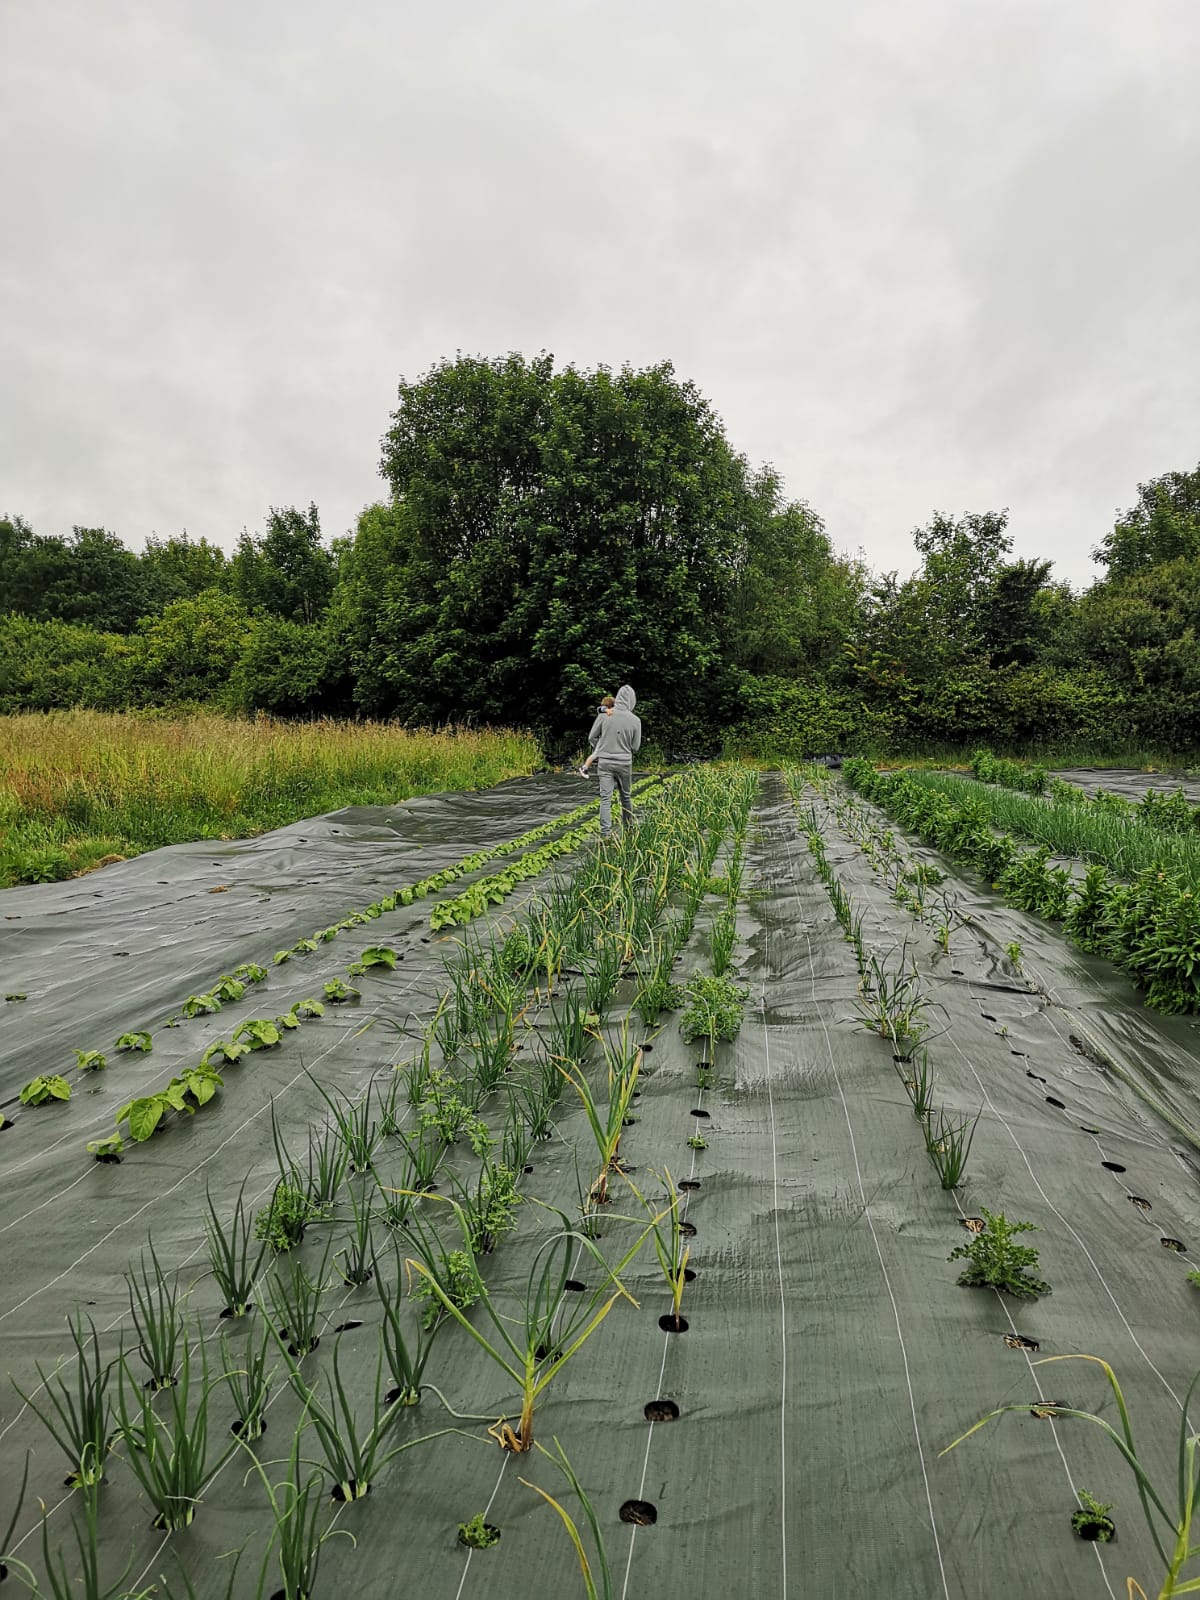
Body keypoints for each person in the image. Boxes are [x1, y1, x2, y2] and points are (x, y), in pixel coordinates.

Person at [585, 685, 641, 837]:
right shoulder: (635, 720)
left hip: (605, 763)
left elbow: (591, 737)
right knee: (626, 797)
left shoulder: (605, 715)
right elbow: (635, 747)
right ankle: (629, 830)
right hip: (624, 763)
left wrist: (601, 748)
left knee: (605, 799)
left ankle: (606, 834)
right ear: (632, 701)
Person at [578, 696, 615, 777]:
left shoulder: (610, 712)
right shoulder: (603, 713)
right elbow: (600, 709)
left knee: (599, 754)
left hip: (608, 738)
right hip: (605, 738)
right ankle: (584, 768)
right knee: (596, 754)